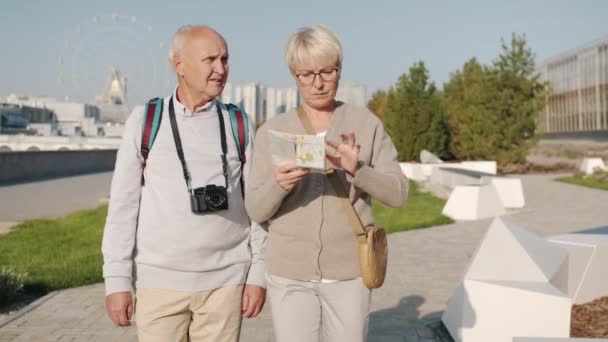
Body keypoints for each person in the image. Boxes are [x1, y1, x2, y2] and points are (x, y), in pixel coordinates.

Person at [102, 25, 266, 342]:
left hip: (226, 284)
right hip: (159, 284)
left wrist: (258, 273)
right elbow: (123, 207)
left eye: (225, 59)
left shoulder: (239, 123)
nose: (221, 69)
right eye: (210, 60)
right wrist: (117, 279)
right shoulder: (146, 120)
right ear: (179, 65)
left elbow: (257, 207)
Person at [244, 25, 408, 342]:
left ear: (340, 70)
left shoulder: (366, 123)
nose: (318, 83)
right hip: (289, 273)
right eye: (307, 74)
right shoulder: (273, 131)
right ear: (294, 75)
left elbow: (399, 194)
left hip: (349, 273)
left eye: (327, 71)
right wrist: (279, 184)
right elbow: (255, 209)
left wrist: (357, 169)